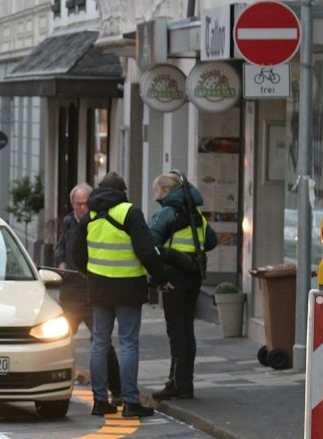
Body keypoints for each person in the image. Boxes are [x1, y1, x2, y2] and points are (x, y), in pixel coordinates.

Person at [67, 172, 167, 418]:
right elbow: (146, 251)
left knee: (99, 343)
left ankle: (100, 401)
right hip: (129, 288)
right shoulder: (130, 213)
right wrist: (161, 278)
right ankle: (131, 402)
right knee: (129, 343)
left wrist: (90, 274)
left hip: (99, 289)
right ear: (122, 191)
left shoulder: (90, 216)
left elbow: (77, 255)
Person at [147, 172, 216, 401]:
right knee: (187, 329)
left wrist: (169, 257)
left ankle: (177, 383)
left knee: (176, 331)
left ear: (167, 191)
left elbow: (150, 244)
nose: (157, 196)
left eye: (158, 191)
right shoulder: (196, 215)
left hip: (173, 277)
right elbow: (211, 241)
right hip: (194, 276)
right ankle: (186, 383)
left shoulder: (166, 214)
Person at [54, 184, 120, 399]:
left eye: (85, 204)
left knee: (102, 344)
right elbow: (61, 246)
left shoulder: (98, 221)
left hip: (93, 294)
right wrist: (61, 262)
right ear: (72, 204)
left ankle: (116, 389)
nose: (82, 208)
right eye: (78, 204)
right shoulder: (68, 221)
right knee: (58, 340)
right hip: (71, 295)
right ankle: (56, 384)